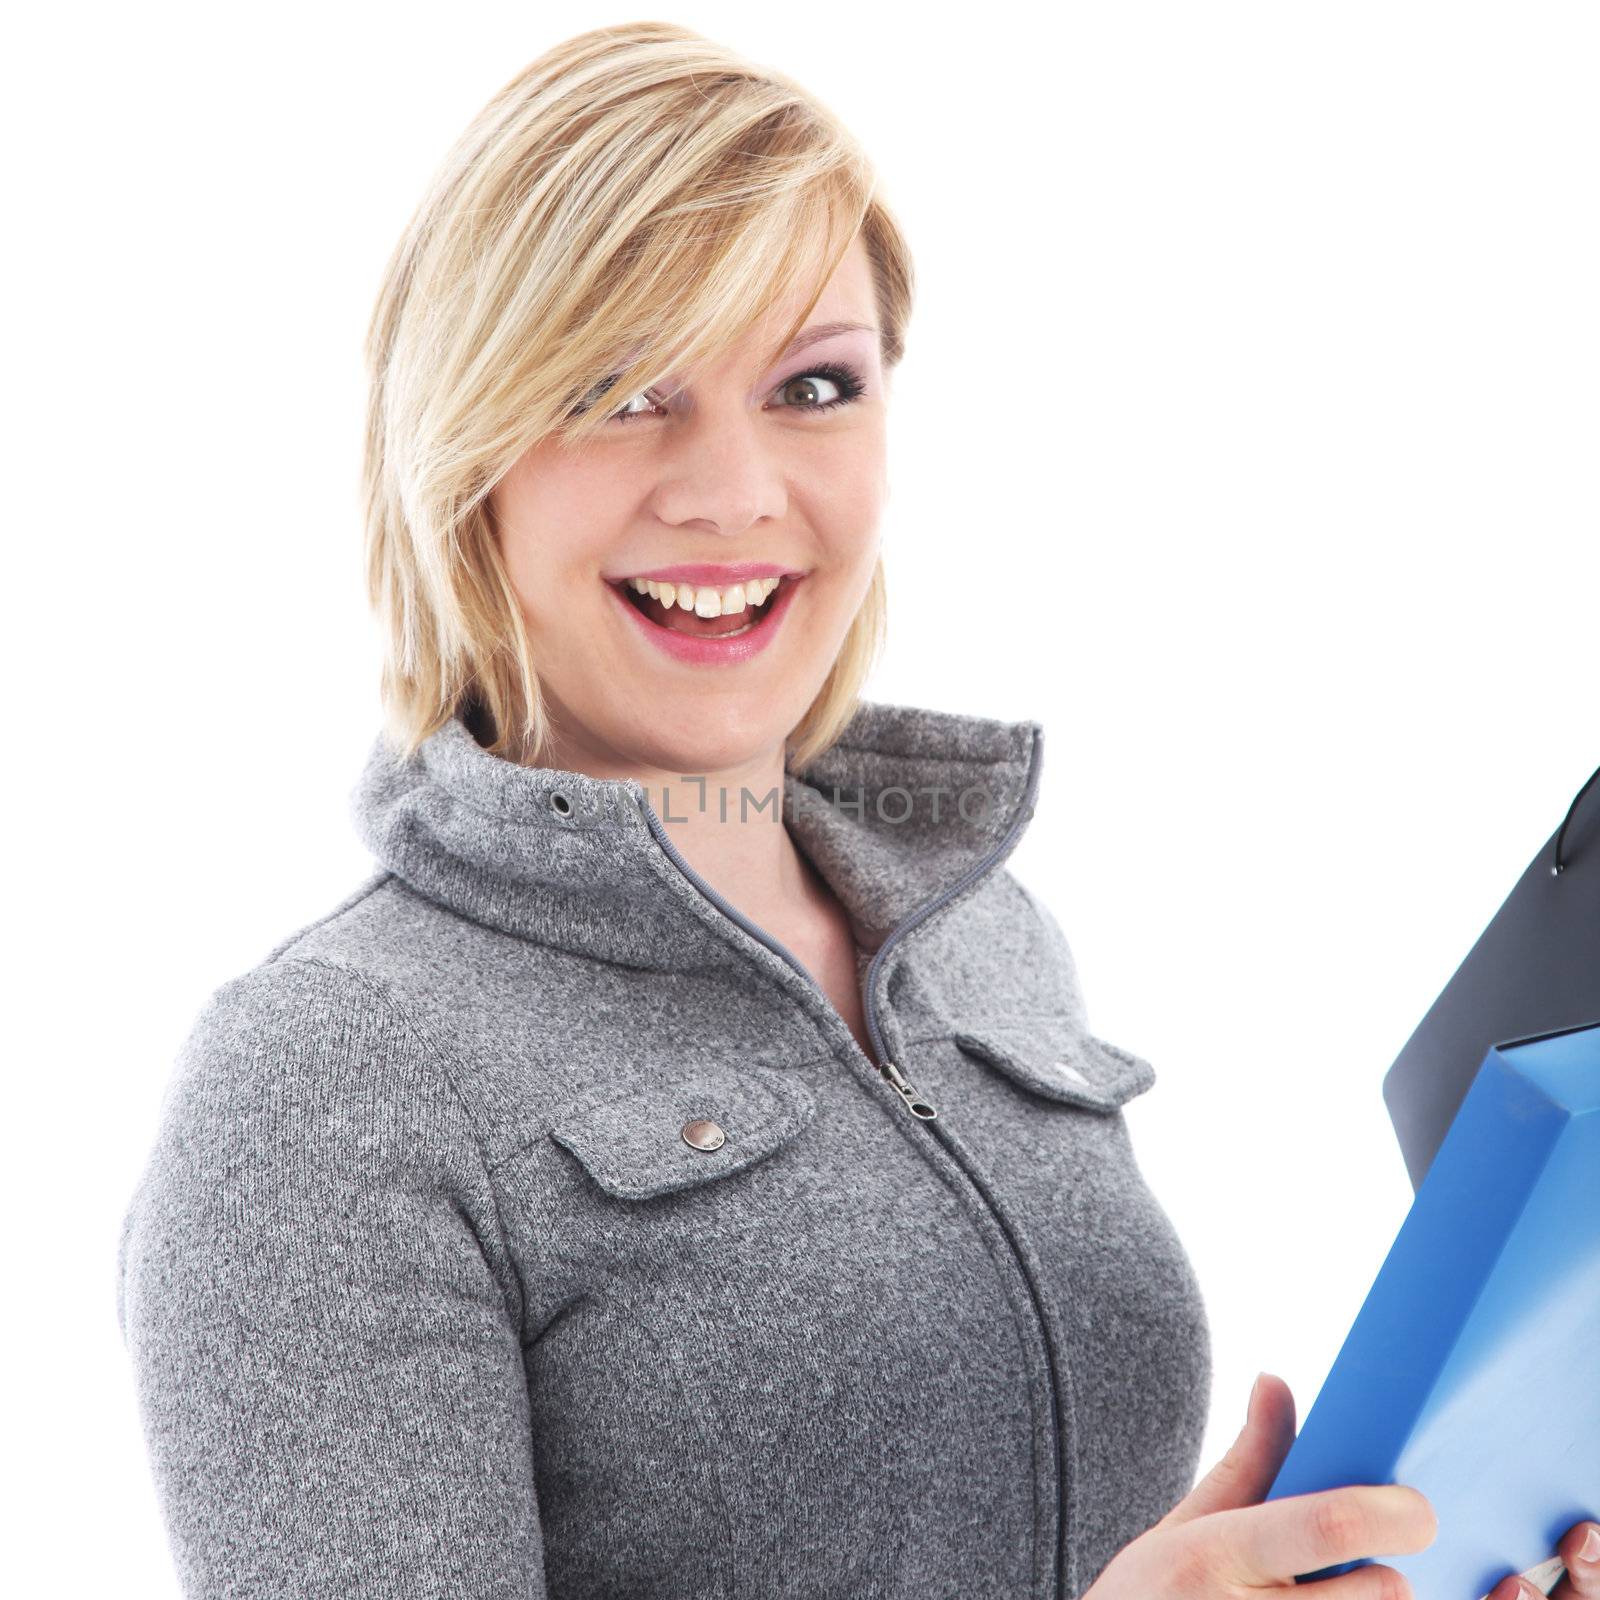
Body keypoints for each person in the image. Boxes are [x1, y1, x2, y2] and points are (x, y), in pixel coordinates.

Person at [113, 20, 1597, 1600]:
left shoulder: (983, 945)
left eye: (814, 384)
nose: (734, 487)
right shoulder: (326, 1085)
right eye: (621, 392)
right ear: (461, 452)